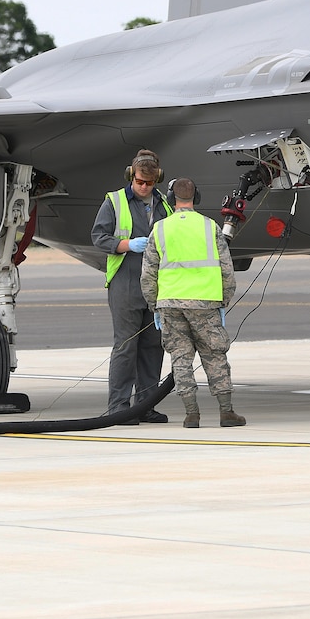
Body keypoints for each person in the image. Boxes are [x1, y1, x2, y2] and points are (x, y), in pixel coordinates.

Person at [141, 177, 244, 427]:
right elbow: (226, 270)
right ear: (195, 198)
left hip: (170, 304)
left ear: (170, 198)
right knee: (215, 355)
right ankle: (226, 411)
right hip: (205, 302)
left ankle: (191, 414)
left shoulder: (160, 229)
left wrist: (154, 304)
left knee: (180, 357)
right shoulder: (210, 227)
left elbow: (148, 273)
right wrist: (224, 300)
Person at [90, 148, 170, 423]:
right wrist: (126, 245)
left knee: (152, 347)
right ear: (131, 176)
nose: (143, 187)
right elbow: (98, 236)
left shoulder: (164, 205)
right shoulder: (114, 202)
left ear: (157, 179)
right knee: (125, 346)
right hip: (125, 283)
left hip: (156, 287)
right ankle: (120, 407)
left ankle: (145, 405)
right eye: (139, 182)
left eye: (149, 183)